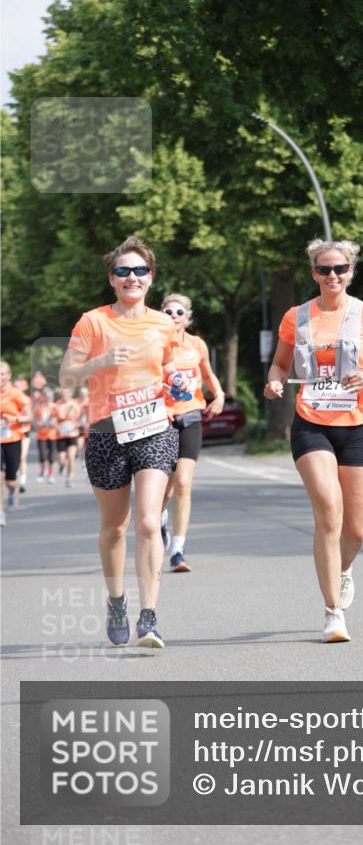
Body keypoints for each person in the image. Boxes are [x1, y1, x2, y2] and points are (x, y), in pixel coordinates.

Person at [264, 239, 363, 642]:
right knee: (329, 511)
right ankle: (333, 613)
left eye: (340, 268)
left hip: (358, 425)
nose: (332, 275)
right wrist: (274, 383)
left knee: (356, 530)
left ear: (351, 272)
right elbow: (279, 365)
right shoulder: (296, 317)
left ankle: (343, 569)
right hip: (312, 424)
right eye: (324, 269)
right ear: (314, 273)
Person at [59, 236, 180, 649]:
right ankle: (116, 601)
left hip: (154, 428)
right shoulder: (93, 322)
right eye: (123, 271)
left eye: (140, 270)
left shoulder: (163, 324)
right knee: (115, 528)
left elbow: (172, 371)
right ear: (112, 279)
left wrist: (177, 383)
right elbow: (67, 377)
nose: (132, 277)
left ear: (151, 277)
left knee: (148, 521)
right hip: (106, 432)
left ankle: (149, 615)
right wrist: (102, 361)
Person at [159, 293, 225, 572]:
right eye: (168, 312)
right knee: (164, 489)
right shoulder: (155, 344)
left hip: (190, 415)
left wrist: (219, 394)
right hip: (161, 419)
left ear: (188, 318)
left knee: (183, 483)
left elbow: (207, 374)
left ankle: (177, 549)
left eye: (179, 313)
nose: (174, 317)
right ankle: (159, 519)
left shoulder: (197, 344)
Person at [1, 361, 32, 520]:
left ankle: (13, 491)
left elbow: (29, 416)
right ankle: (1, 512)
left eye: (2, 374)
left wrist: (15, 418)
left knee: (10, 480)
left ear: (8, 375)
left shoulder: (16, 394)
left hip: (13, 438)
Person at [54, 387, 80, 487]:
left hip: (72, 434)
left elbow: (80, 418)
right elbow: (53, 419)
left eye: (66, 393)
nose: (64, 395)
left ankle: (69, 478)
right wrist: (56, 426)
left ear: (70, 394)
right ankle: (62, 465)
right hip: (61, 434)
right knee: (61, 459)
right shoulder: (57, 405)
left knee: (71, 457)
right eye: (63, 394)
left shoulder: (75, 405)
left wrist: (77, 424)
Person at [34, 386, 57, 483]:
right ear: (44, 397)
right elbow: (35, 420)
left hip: (52, 434)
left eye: (50, 396)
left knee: (51, 457)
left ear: (52, 397)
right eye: (47, 396)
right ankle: (42, 471)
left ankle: (51, 474)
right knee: (42, 455)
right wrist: (38, 423)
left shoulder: (55, 407)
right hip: (41, 434)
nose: (49, 398)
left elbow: (59, 419)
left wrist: (54, 422)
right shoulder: (39, 407)